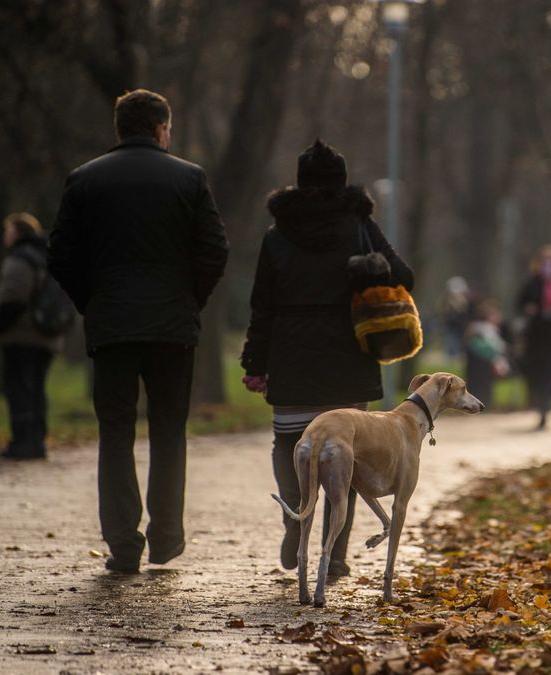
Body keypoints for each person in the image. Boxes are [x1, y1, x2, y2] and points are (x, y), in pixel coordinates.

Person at [48, 89, 229, 573]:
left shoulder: (85, 180)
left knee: (115, 432)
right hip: (172, 326)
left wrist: (95, 301)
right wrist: (189, 299)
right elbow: (214, 251)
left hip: (111, 326)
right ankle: (166, 535)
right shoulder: (189, 179)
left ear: (119, 129)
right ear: (161, 129)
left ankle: (122, 544)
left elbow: (61, 255)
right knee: (169, 430)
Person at [239, 139, 414, 578]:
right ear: (342, 183)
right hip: (348, 356)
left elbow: (262, 306)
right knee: (345, 451)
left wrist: (255, 364)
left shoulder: (276, 237)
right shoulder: (359, 226)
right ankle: (333, 554)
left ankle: (296, 516)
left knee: (288, 442)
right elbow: (405, 277)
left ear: (298, 184)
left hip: (292, 354)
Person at [0, 212, 63, 460]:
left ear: (18, 232)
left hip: (22, 335)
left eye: (8, 231)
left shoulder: (21, 258)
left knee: (19, 389)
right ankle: (37, 441)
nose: (5, 236)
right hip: (48, 336)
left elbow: (13, 297)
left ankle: (23, 443)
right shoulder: (49, 256)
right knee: (37, 389)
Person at [516, 244, 551, 430]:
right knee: (536, 373)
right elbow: (520, 302)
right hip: (535, 336)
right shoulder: (532, 283)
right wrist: (529, 309)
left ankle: (544, 409)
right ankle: (541, 399)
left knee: (549, 371)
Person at [463, 299, 510, 410]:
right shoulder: (486, 328)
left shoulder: (474, 327)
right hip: (484, 363)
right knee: (483, 387)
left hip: (476, 364)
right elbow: (497, 347)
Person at [438, 276, 472, 361]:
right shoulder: (446, 302)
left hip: (461, 327)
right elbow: (444, 314)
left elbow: (466, 314)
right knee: (451, 343)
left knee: (461, 344)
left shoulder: (466, 301)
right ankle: (451, 358)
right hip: (451, 326)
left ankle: (458, 358)